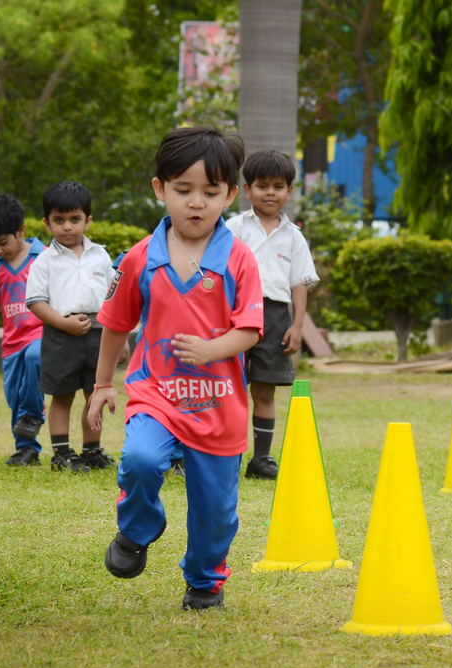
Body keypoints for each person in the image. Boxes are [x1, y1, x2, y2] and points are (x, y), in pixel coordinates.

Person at [87, 126, 263, 610]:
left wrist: (212, 349)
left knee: (216, 513)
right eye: (183, 190)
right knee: (141, 460)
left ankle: (204, 585)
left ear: (229, 194)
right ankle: (136, 532)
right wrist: (104, 383)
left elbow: (250, 330)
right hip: (156, 393)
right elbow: (116, 322)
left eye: (210, 192)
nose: (196, 203)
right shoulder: (141, 257)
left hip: (219, 407)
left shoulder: (240, 259)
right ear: (160, 189)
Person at [226, 149, 319, 480]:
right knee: (226, 386)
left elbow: (299, 285)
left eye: (278, 186)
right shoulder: (233, 228)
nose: (270, 193)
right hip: (234, 314)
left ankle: (261, 459)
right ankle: (224, 456)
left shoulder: (294, 237)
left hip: (276, 317)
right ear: (247, 189)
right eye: (262, 185)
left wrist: (296, 325)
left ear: (289, 192)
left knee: (265, 390)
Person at [26, 181, 117, 473]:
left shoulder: (101, 256)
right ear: (47, 223)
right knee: (62, 395)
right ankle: (62, 453)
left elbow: (112, 298)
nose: (67, 227)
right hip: (60, 335)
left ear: (87, 221)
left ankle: (92, 450)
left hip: (98, 333)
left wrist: (121, 339)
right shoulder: (44, 260)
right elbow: (36, 302)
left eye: (75, 219)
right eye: (59, 220)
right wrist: (64, 324)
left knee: (95, 395)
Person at [0, 194, 47, 467]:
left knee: (35, 358)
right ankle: (27, 451)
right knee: (13, 397)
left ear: (21, 230)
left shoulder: (45, 257)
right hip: (11, 343)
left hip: (41, 334)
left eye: (2, 242)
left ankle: (33, 413)